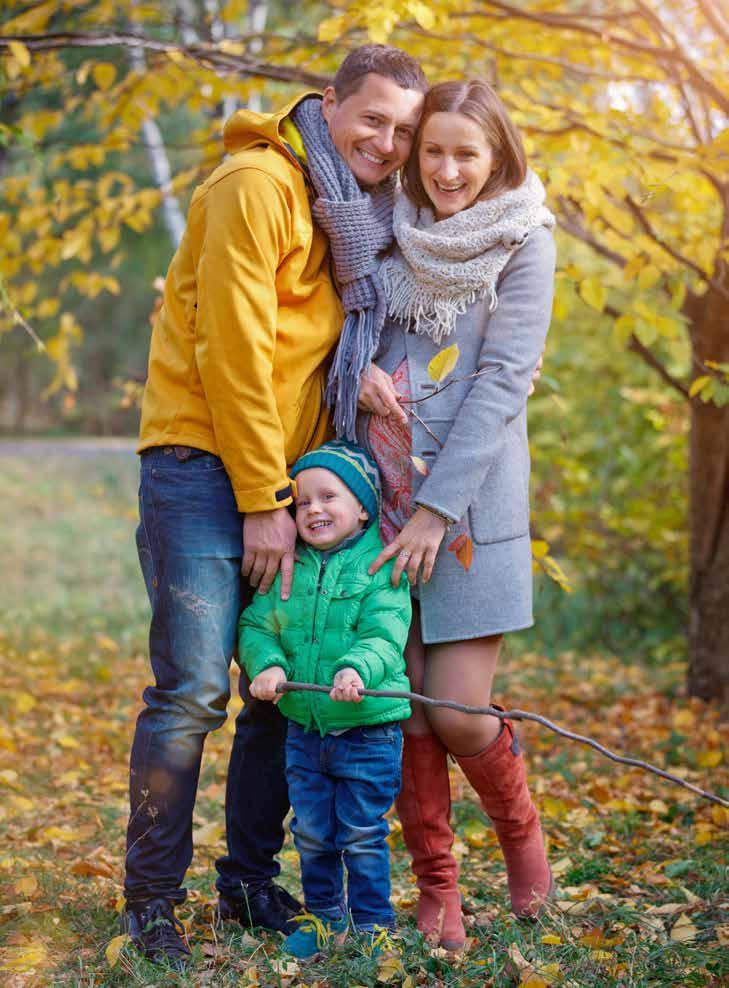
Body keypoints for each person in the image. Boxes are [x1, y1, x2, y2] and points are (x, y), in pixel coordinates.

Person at [125, 46, 427, 966]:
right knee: (192, 692)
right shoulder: (256, 186)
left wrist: (357, 378)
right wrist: (265, 497)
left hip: (285, 473)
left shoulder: (342, 209)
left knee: (278, 689)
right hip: (203, 464)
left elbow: (304, 339)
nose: (387, 142)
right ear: (328, 104)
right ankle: (151, 902)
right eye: (372, 118)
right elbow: (232, 350)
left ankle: (248, 881)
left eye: (403, 130)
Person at [356, 79, 556, 951]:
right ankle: (437, 889)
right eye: (431, 150)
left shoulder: (524, 239)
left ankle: (522, 841)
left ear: (495, 155)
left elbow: (504, 380)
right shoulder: (380, 230)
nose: (444, 170)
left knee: (457, 711)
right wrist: (355, 371)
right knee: (403, 708)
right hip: (376, 498)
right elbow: (343, 332)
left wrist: (436, 511)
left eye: (464, 154)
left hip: (466, 510)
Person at [239, 440, 411, 959]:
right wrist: (267, 664)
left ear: (363, 508)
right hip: (305, 732)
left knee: (361, 833)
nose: (313, 509)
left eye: (328, 497)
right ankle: (324, 918)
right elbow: (257, 625)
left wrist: (357, 668)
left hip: (368, 731)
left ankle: (374, 924)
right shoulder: (288, 567)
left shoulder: (380, 566)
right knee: (312, 833)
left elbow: (385, 633)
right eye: (302, 502)